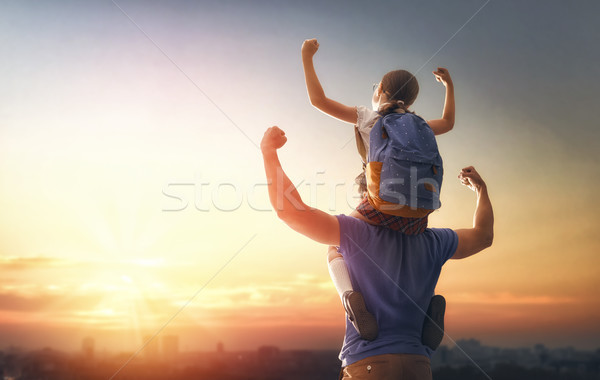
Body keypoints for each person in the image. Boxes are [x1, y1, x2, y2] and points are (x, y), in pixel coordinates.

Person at [260, 126, 494, 380]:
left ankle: (349, 299)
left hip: (368, 362)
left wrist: (268, 152)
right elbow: (483, 236)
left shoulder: (355, 233)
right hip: (418, 364)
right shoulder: (434, 241)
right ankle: (427, 318)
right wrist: (480, 189)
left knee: (333, 248)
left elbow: (291, 212)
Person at [301, 38, 456, 342]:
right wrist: (449, 85)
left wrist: (306, 56)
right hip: (418, 213)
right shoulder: (420, 123)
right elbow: (449, 122)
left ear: (380, 92)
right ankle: (426, 310)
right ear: (409, 101)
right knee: (417, 255)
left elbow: (318, 101)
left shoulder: (368, 117)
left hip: (377, 206)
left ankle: (349, 298)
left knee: (336, 246)